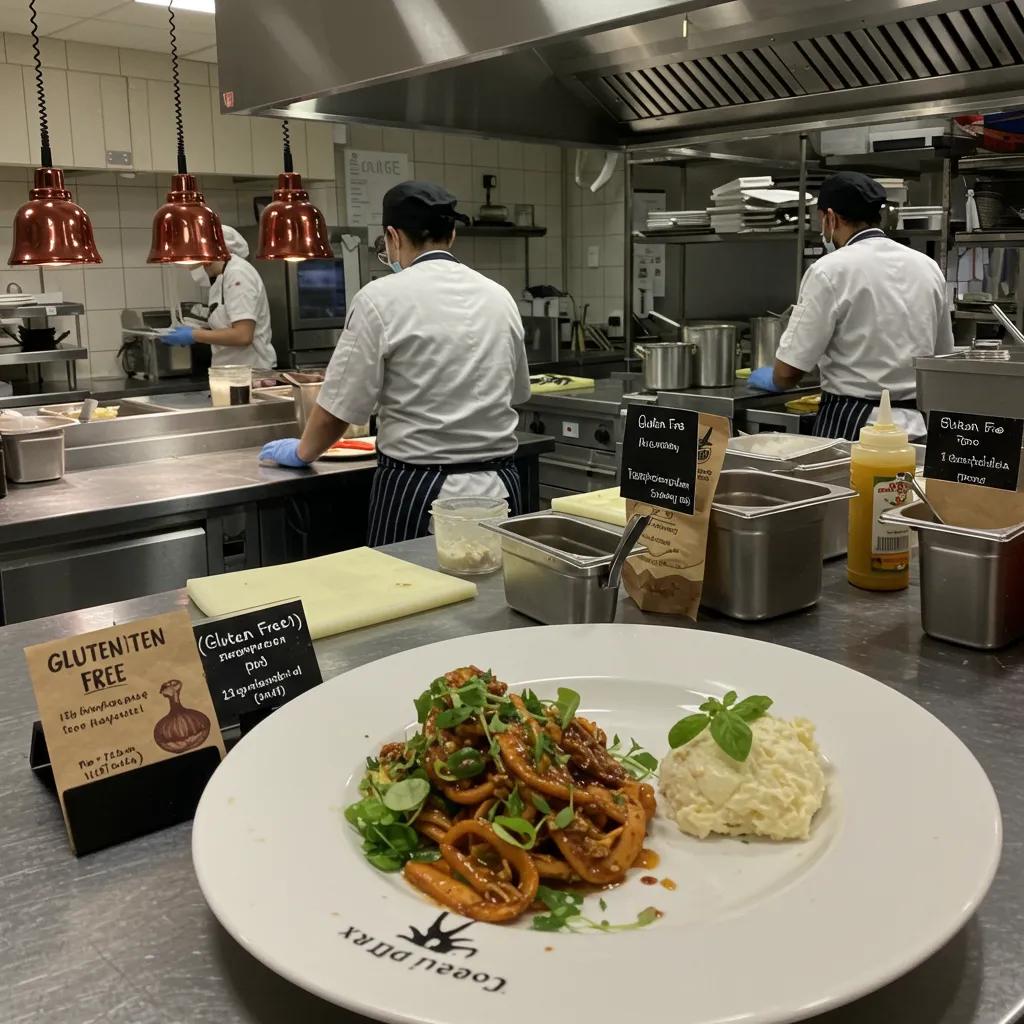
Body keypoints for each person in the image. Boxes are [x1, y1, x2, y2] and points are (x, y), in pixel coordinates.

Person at [259, 181, 531, 547]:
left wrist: (301, 452)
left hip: (419, 493)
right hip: (501, 491)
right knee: (494, 599)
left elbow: (337, 410)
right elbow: (516, 393)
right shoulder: (500, 297)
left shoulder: (378, 299)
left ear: (392, 236)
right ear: (451, 234)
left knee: (412, 598)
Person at [748, 171, 954, 440]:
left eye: (821, 220)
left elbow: (788, 372)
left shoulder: (829, 270)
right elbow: (942, 358)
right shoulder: (928, 267)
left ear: (830, 218)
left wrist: (773, 379)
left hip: (855, 428)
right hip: (917, 429)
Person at [161, 225, 276, 369]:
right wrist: (198, 327)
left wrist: (194, 335)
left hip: (250, 374)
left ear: (207, 258)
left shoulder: (238, 274)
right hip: (229, 374)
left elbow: (243, 335)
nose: (192, 269)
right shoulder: (219, 280)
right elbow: (227, 325)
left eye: (194, 263)